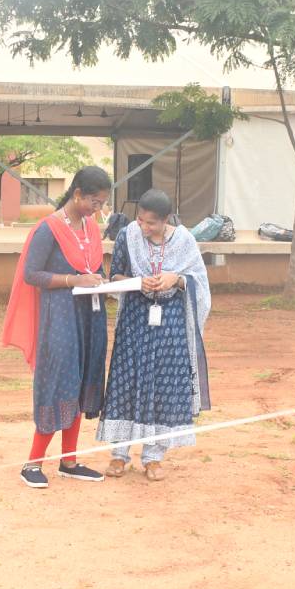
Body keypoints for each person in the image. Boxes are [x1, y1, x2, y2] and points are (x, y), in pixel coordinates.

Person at [3, 165, 113, 488]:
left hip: (89, 315)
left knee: (81, 382)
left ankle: (70, 461)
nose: (98, 209)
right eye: (94, 202)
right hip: (60, 317)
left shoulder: (91, 227)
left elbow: (91, 266)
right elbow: (31, 274)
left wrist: (100, 281)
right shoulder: (48, 229)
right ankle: (32, 464)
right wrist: (73, 280)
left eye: (102, 203)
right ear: (77, 194)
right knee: (58, 383)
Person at [97, 189, 212, 481]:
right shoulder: (127, 235)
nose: (143, 227)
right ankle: (119, 454)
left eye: (151, 223)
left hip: (170, 326)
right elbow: (115, 275)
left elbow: (198, 280)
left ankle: (153, 457)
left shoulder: (185, 241)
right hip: (134, 320)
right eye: (140, 220)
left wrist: (177, 278)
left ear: (165, 220)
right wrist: (138, 282)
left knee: (164, 386)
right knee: (126, 382)